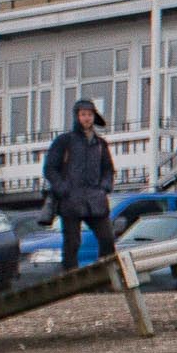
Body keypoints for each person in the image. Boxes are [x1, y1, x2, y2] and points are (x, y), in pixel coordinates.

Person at [41, 98, 117, 268]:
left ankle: (106, 277)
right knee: (72, 243)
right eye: (83, 114)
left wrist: (104, 187)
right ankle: (70, 278)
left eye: (90, 114)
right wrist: (62, 188)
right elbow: (50, 169)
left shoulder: (100, 144)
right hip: (70, 201)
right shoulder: (64, 141)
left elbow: (108, 169)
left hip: (96, 201)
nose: (87, 118)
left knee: (107, 239)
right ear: (76, 117)